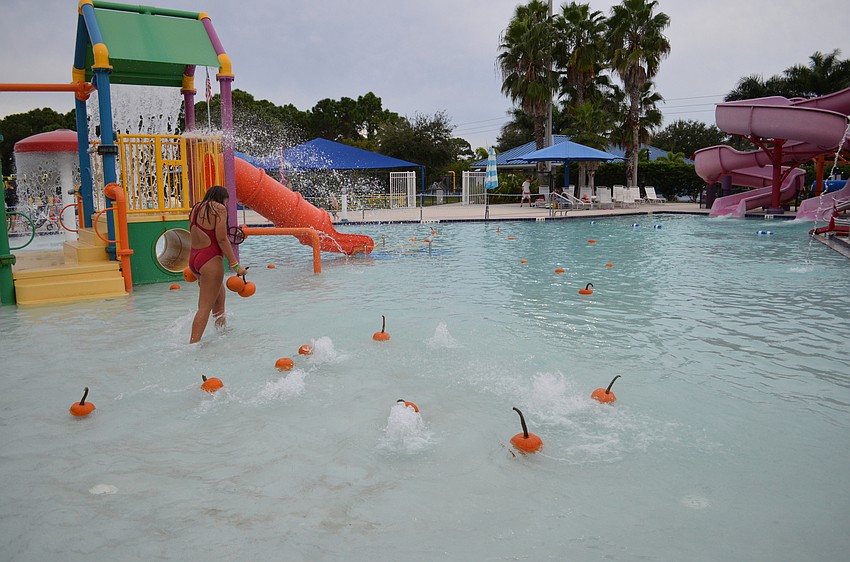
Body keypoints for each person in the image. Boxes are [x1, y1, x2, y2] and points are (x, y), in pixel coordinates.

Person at [188, 185, 247, 344]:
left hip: (195, 259)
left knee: (219, 303)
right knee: (205, 307)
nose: (226, 206)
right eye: (227, 202)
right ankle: (192, 345)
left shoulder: (196, 207)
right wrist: (236, 266)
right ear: (223, 199)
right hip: (210, 260)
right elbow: (221, 238)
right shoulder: (219, 208)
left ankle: (222, 335)